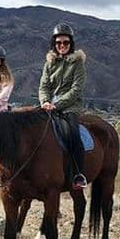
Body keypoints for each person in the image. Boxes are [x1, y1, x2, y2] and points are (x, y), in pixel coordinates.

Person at [38, 22, 88, 189]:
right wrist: (45, 101)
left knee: (72, 133)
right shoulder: (49, 63)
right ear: (54, 43)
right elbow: (44, 86)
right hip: (48, 105)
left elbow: (76, 90)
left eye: (65, 42)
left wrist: (57, 104)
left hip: (70, 107)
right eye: (58, 43)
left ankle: (78, 174)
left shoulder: (77, 63)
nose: (62, 46)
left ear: (71, 44)